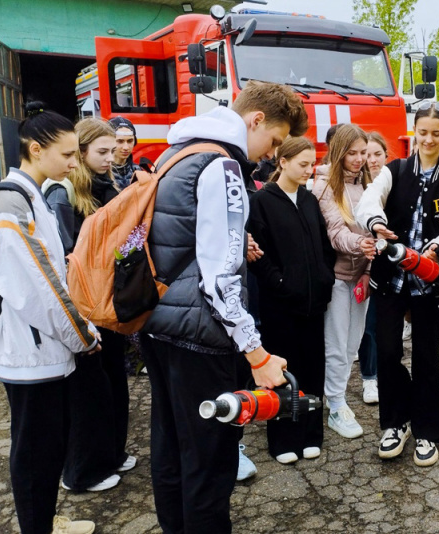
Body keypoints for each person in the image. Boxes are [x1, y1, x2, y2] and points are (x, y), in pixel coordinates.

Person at [138, 80, 306, 533]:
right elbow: (221, 280)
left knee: (171, 450)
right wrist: (257, 354)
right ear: (254, 120)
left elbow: (179, 243)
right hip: (201, 336)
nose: (271, 153)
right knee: (210, 465)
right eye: (273, 140)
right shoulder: (224, 165)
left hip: (158, 323)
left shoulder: (177, 152)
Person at [0, 101, 99, 534]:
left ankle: (45, 520)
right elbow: (37, 286)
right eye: (67, 154)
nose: (74, 161)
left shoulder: (34, 196)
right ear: (34, 149)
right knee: (34, 453)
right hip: (33, 352)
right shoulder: (11, 201)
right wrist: (82, 335)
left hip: (46, 348)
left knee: (48, 448)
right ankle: (37, 527)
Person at [355, 101, 439, 467]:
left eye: (436, 134)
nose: (428, 139)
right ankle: (395, 423)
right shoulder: (396, 169)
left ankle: (428, 431)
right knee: (387, 352)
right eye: (423, 133)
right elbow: (369, 199)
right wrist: (376, 223)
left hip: (428, 283)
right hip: (390, 280)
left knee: (427, 357)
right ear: (414, 132)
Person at [43, 118, 135, 492]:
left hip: (111, 299)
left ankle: (110, 452)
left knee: (113, 380)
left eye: (114, 150)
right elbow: (65, 255)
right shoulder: (63, 194)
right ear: (80, 152)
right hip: (86, 304)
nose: (111, 158)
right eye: (103, 151)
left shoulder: (107, 184)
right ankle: (81, 471)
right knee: (88, 391)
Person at [248, 136, 336, 464]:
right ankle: (283, 438)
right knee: (283, 372)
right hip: (280, 307)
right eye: (302, 164)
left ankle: (312, 433)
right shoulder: (263, 202)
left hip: (314, 304)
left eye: (311, 164)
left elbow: (323, 246)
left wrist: (325, 278)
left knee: (313, 370)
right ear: (282, 162)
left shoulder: (309, 199)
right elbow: (258, 255)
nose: (308, 170)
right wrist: (281, 284)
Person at [312, 125, 376, 439]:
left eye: (363, 153)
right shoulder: (324, 186)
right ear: (338, 152)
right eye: (352, 153)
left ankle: (334, 395)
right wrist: (359, 244)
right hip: (338, 277)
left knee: (353, 343)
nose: (358, 159)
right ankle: (336, 404)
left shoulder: (368, 184)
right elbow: (335, 232)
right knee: (336, 344)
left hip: (364, 275)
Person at [355, 132, 388, 404]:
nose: (372, 159)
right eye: (367, 153)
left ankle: (381, 374)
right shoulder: (355, 185)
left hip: (389, 266)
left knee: (381, 326)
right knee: (368, 326)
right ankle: (369, 378)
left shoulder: (395, 183)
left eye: (378, 154)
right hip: (360, 265)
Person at [108, 117, 139, 189]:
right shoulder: (100, 174)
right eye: (120, 141)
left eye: (130, 141)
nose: (126, 147)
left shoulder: (138, 171)